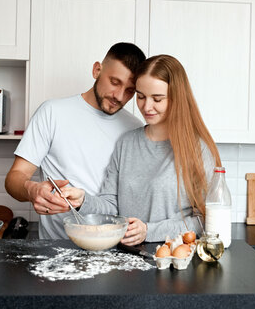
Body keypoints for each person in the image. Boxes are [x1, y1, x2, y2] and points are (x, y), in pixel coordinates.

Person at [61, 54, 222, 246]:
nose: (146, 106)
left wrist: (148, 231)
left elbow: (205, 221)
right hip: (125, 260)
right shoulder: (126, 143)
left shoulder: (197, 149)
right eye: (141, 96)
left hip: (172, 260)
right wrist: (82, 200)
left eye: (157, 99)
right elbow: (111, 208)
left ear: (177, 98)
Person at [5, 43, 146, 239]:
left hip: (116, 248)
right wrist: (32, 189)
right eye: (114, 82)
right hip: (58, 248)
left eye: (130, 90)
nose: (119, 96)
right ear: (97, 70)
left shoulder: (136, 128)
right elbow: (15, 177)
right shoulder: (52, 113)